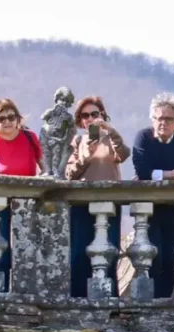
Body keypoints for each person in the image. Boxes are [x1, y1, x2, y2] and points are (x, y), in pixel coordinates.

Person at [131, 93, 174, 298]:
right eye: (159, 118)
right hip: (148, 209)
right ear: (152, 120)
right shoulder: (143, 137)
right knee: (151, 256)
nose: (163, 123)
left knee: (170, 259)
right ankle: (147, 301)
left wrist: (156, 174)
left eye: (168, 119)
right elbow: (142, 171)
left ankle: (163, 302)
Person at [64, 96, 130, 297]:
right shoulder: (78, 141)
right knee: (79, 255)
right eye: (85, 116)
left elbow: (124, 154)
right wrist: (85, 156)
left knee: (109, 252)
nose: (90, 118)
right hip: (82, 204)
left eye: (94, 114)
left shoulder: (111, 139)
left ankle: (110, 300)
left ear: (102, 115)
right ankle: (78, 300)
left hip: (110, 204)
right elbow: (69, 174)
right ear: (80, 120)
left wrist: (110, 131)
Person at [0, 98, 42, 289]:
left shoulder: (30, 137)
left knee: (27, 250)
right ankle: (0, 291)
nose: (7, 122)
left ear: (18, 118)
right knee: (0, 251)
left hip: (28, 204)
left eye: (11, 117)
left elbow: (46, 168)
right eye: (1, 118)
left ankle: (26, 291)